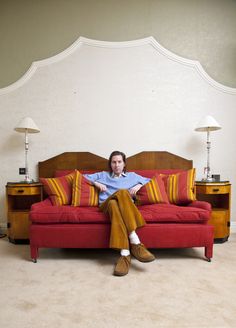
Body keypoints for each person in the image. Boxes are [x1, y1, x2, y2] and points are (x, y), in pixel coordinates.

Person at [84, 150, 155, 276]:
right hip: (105, 205)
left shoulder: (132, 176)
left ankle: (125, 254)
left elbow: (150, 180)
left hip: (121, 208)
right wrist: (96, 182)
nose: (116, 165)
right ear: (110, 164)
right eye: (113, 162)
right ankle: (135, 242)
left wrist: (139, 185)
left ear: (124, 164)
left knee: (114, 203)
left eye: (119, 162)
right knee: (120, 194)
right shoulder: (103, 175)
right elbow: (83, 177)